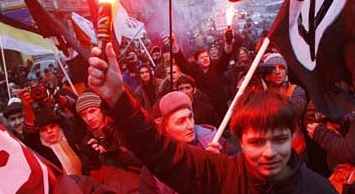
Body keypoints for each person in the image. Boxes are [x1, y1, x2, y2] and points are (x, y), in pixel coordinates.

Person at [87, 42, 337, 194]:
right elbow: (157, 148)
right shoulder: (219, 174)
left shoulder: (319, 190)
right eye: (257, 142)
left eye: (280, 139)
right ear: (240, 140)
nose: (270, 152)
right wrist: (119, 99)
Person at [140, 91, 226, 193]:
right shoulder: (154, 164)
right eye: (181, 121)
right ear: (165, 127)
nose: (190, 126)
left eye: (190, 117)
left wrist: (219, 167)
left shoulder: (214, 144)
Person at [76, 90, 142, 193]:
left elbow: (143, 160)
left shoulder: (122, 126)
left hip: (140, 186)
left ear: (101, 109)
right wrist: (92, 159)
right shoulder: (87, 141)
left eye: (92, 111)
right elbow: (89, 177)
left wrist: (114, 153)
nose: (89, 118)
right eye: (83, 115)